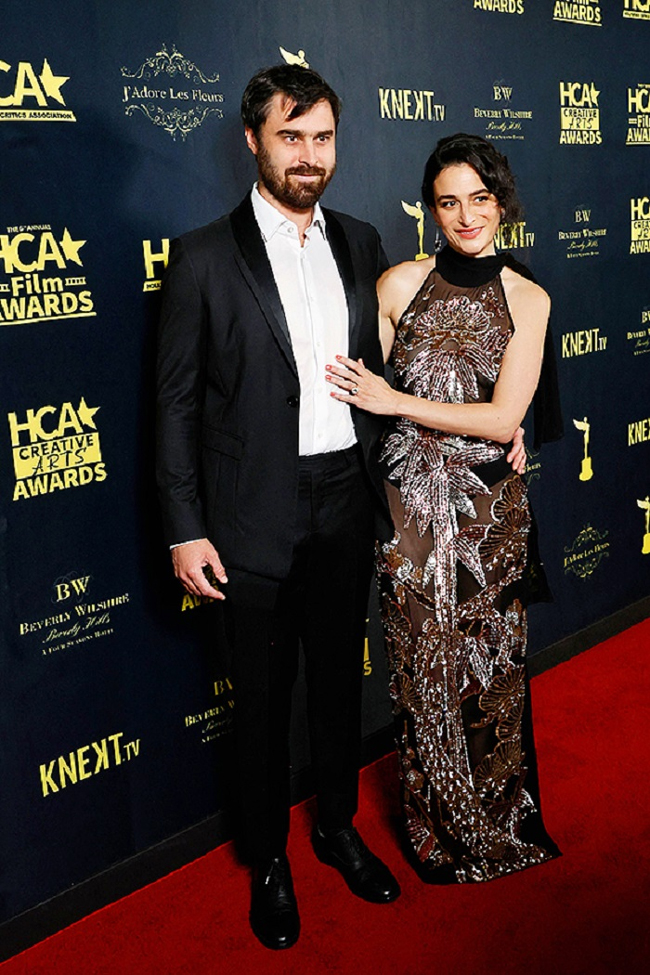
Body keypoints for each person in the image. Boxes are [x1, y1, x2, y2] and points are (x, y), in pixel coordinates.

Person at [156, 64, 405, 951]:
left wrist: (503, 422)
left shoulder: (363, 241)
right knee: (260, 700)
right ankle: (268, 857)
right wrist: (185, 527)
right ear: (253, 140)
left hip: (346, 498)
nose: (309, 155)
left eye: (323, 137)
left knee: (339, 682)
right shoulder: (201, 256)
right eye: (291, 136)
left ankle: (336, 826)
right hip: (247, 513)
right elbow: (175, 403)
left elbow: (402, 366)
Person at [326, 133, 561, 883]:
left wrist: (402, 401)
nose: (466, 217)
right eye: (449, 202)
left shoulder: (528, 297)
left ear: (502, 202)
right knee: (420, 668)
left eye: (480, 199)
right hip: (407, 511)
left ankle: (496, 821)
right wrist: (391, 406)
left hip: (490, 512)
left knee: (490, 668)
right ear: (431, 210)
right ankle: (433, 825)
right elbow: (359, 395)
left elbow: (502, 417)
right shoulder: (398, 285)